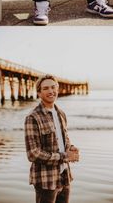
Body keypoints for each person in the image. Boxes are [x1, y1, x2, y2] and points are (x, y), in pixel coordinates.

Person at [25, 74, 79, 203]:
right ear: (39, 93)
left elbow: (63, 139)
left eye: (53, 87)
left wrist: (70, 148)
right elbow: (33, 154)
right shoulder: (33, 117)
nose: (51, 91)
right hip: (46, 181)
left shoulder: (61, 113)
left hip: (64, 177)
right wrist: (65, 156)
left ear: (57, 89)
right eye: (46, 88)